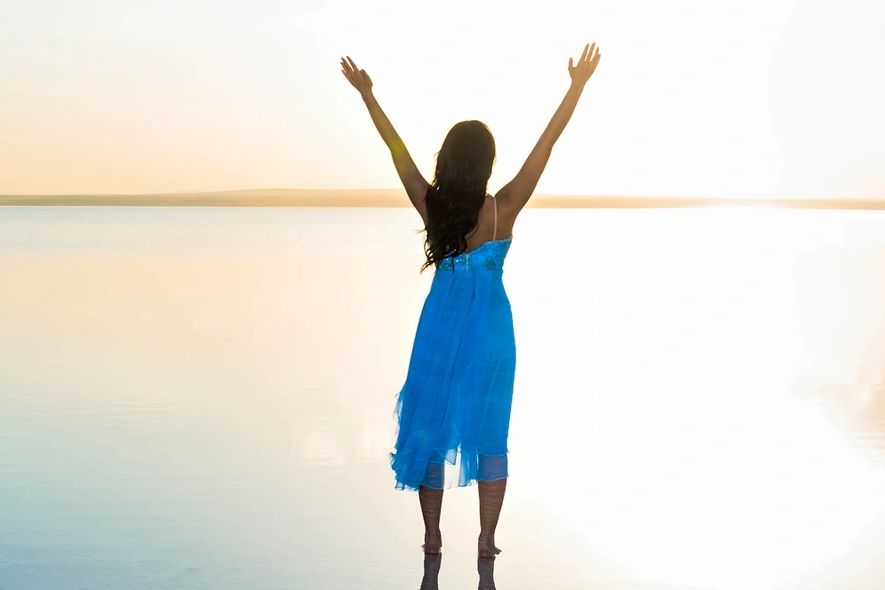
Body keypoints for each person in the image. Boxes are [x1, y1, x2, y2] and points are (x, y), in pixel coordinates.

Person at [340, 43, 602, 558]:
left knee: (431, 425)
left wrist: (368, 96)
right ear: (485, 164)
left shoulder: (431, 203)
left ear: (447, 162)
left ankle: (432, 537)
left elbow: (396, 151)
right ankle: (487, 541)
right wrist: (577, 87)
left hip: (439, 325)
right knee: (489, 432)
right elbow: (546, 145)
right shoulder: (504, 208)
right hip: (490, 332)